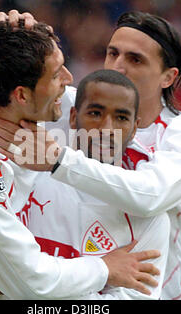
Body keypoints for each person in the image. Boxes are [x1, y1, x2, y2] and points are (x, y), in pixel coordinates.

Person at [0, 21, 158, 300]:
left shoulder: (17, 129)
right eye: (57, 74)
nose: (69, 79)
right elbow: (31, 282)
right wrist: (104, 268)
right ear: (21, 95)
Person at [0, 10, 181, 300]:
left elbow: (150, 196)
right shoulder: (78, 104)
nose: (118, 66)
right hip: (83, 286)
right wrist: (13, 39)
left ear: (168, 77)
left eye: (135, 59)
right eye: (113, 53)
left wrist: (58, 161)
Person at [25, 69, 170, 300]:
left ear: (134, 128)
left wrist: (45, 289)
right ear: (73, 117)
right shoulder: (28, 182)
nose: (107, 128)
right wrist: (103, 270)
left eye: (121, 118)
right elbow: (8, 273)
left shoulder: (149, 218)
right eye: (95, 113)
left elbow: (24, 282)